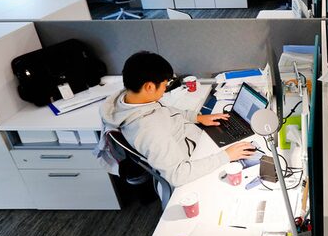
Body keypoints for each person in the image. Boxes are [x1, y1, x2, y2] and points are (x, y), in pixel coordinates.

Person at [97, 52, 255, 188]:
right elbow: (178, 175)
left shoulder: (127, 98)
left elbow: (166, 112)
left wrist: (197, 117)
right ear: (149, 87)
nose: (165, 90)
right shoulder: (150, 131)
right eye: (164, 85)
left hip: (193, 138)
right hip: (192, 160)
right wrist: (226, 156)